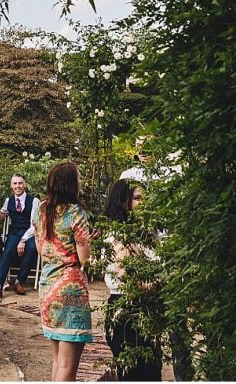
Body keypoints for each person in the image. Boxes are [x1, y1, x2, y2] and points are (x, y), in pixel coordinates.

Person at [33, 161, 93, 381]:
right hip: (70, 291)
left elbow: (41, 249)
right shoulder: (75, 213)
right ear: (71, 183)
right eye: (78, 178)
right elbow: (85, 259)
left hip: (48, 287)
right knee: (68, 367)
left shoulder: (42, 209)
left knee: (58, 361)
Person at [103, 179, 162, 381]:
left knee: (152, 371)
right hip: (127, 311)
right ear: (123, 201)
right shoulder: (118, 234)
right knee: (137, 374)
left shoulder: (147, 231)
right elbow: (131, 276)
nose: (143, 202)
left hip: (147, 311)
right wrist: (162, 284)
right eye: (137, 198)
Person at [0, 172, 40, 299]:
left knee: (31, 248)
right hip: (14, 232)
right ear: (11, 186)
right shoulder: (9, 201)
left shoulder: (34, 201)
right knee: (7, 251)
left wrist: (23, 240)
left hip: (29, 232)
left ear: (25, 185)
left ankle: (20, 281)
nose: (17, 186)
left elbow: (34, 224)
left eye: (20, 183)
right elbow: (1, 219)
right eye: (15, 183)